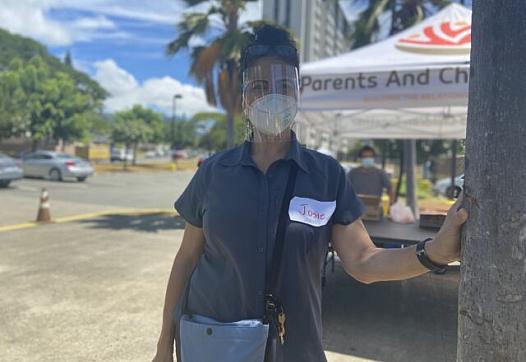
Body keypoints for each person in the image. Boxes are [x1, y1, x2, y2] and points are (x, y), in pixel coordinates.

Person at [152, 24, 468, 362]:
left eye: (285, 85)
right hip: (213, 344)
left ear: (298, 94)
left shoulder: (326, 174)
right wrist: (163, 346)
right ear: (244, 97)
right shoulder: (214, 172)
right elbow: (186, 259)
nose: (273, 95)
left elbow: (364, 261)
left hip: (294, 349)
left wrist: (434, 252)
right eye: (259, 86)